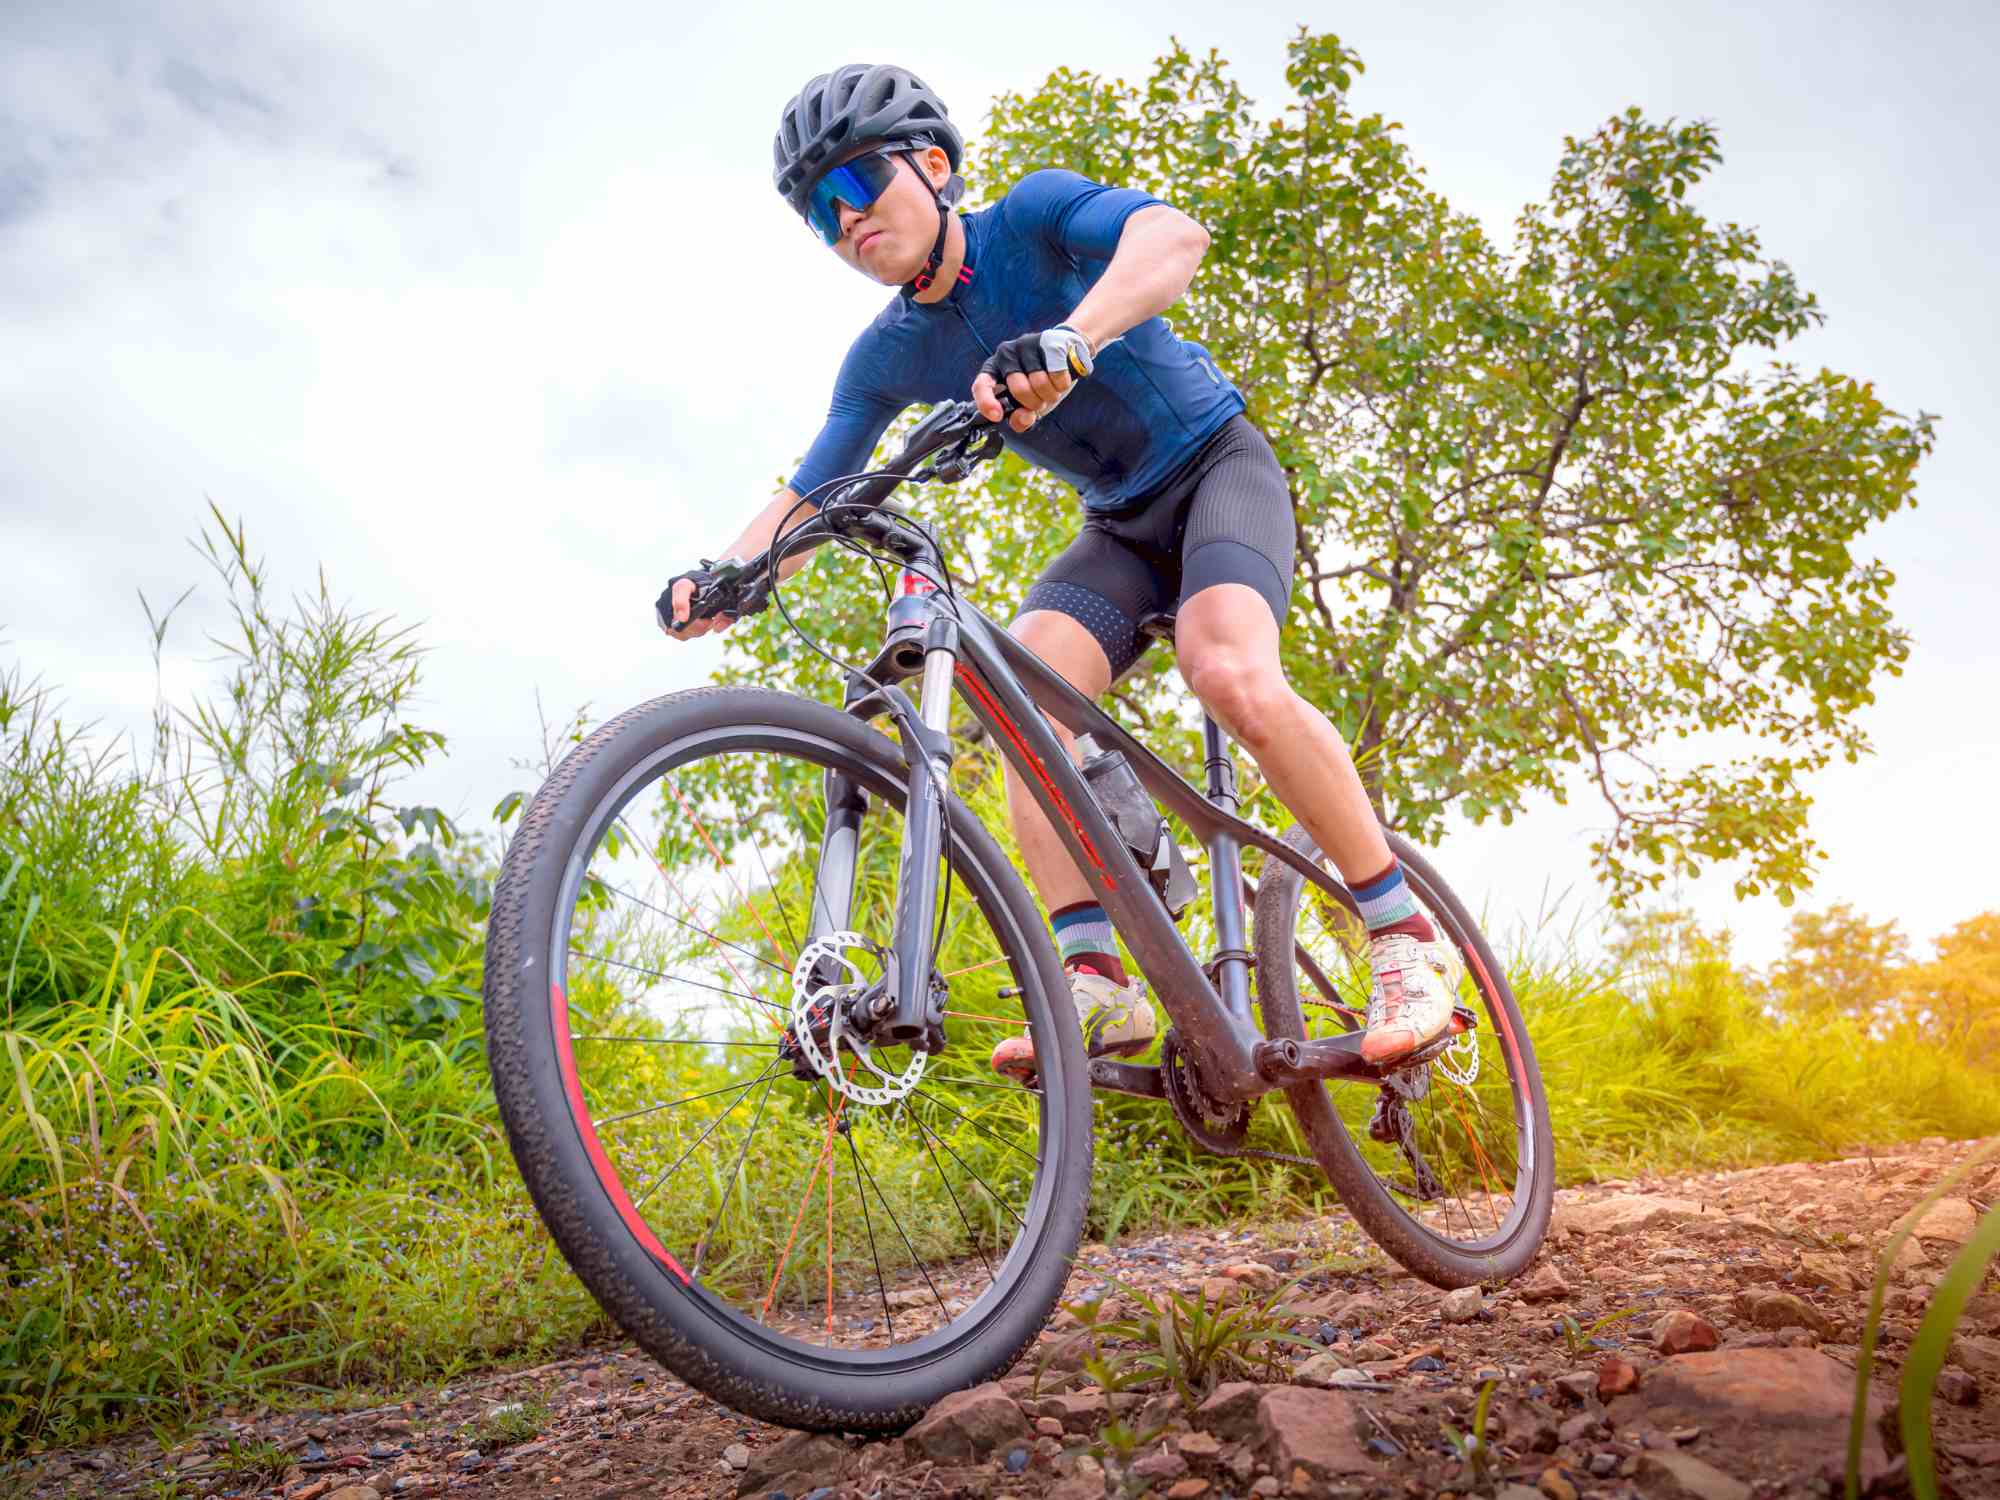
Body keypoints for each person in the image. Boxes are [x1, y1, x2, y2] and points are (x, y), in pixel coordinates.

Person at [659, 63, 1461, 1078]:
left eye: (856, 184)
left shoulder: (1030, 219)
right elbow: (817, 485)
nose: (844, 220)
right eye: (820, 214)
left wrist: (1076, 333)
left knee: (1226, 669)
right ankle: (1099, 983)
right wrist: (728, 572)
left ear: (935, 165)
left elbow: (1171, 237)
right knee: (1022, 703)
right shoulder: (885, 355)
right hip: (1119, 528)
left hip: (1217, 470)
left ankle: (1401, 935)